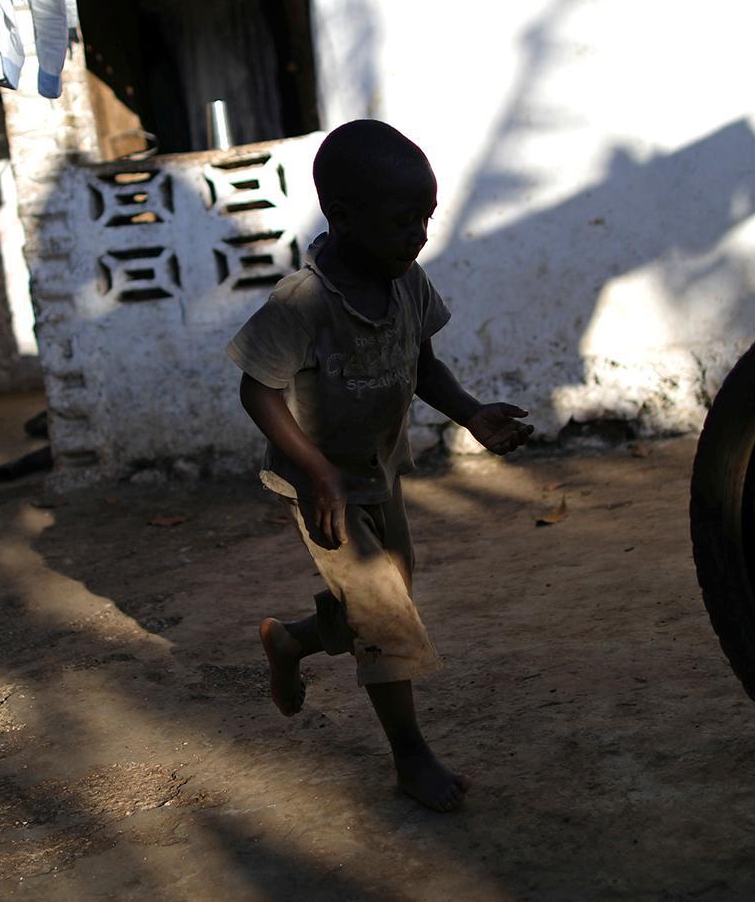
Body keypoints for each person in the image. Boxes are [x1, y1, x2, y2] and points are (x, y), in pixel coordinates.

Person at [228, 119, 534, 811]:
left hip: (380, 474)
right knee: (387, 615)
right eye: (403, 221)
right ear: (342, 217)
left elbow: (424, 363)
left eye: (426, 218)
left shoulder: (407, 281)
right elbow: (257, 387)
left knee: (379, 605)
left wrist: (471, 413)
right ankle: (411, 757)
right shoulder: (303, 302)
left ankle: (293, 641)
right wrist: (311, 470)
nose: (419, 235)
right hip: (322, 489)